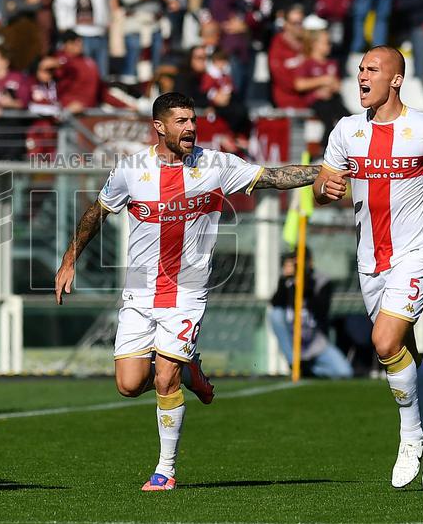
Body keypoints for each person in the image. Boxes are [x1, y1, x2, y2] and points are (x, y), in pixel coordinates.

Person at [54, 91, 320, 491]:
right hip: (140, 292)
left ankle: (165, 469)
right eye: (181, 121)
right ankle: (190, 370)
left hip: (187, 292)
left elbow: (271, 177)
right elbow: (97, 212)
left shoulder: (215, 165)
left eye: (193, 120)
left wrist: (325, 170)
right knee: (128, 385)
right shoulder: (131, 169)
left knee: (164, 380)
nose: (191, 128)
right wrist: (70, 259)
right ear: (159, 127)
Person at [312, 45, 423, 490]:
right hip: (371, 261)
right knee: (401, 349)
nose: (362, 76)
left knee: (384, 340)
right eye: (360, 69)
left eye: (372, 69)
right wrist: (324, 188)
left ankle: (410, 438)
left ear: (396, 79)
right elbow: (322, 182)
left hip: (417, 253)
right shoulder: (347, 130)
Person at [268, 250, 354, 379]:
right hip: (295, 343)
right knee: (275, 315)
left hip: (316, 342)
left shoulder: (321, 280)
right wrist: (284, 280)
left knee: (345, 372)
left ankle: (309, 371)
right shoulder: (287, 281)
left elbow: (321, 310)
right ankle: (294, 363)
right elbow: (275, 304)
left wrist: (305, 284)